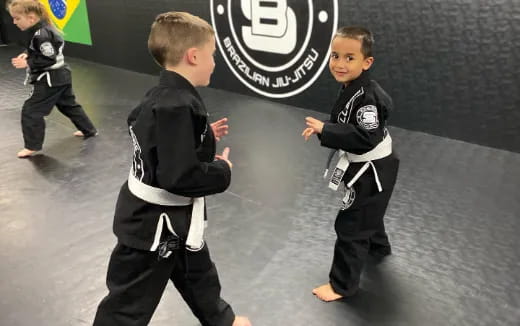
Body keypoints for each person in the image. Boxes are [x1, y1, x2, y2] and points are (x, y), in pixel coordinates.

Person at [93, 11, 251, 326]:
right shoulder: (177, 105)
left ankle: (222, 319)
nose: (215, 63)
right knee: (129, 300)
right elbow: (179, 176)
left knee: (197, 273)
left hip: (174, 221)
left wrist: (202, 134)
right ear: (193, 56)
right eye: (213, 56)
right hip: (153, 225)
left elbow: (149, 133)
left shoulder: (164, 97)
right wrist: (223, 170)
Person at [302, 26, 400, 302]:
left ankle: (341, 285)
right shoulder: (353, 89)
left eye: (349, 57)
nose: (339, 64)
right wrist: (326, 129)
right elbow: (347, 121)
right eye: (335, 56)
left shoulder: (367, 97)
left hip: (372, 169)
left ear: (366, 62)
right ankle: (378, 248)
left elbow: (366, 136)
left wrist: (326, 130)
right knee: (370, 210)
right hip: (368, 167)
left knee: (352, 224)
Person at [8, 0, 97, 158]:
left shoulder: (42, 34)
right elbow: (37, 49)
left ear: (31, 17)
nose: (14, 22)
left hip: (51, 79)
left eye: (17, 18)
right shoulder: (38, 30)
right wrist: (27, 54)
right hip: (61, 76)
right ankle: (89, 130)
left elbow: (49, 58)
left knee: (31, 111)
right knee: (68, 105)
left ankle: (32, 146)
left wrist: (27, 62)